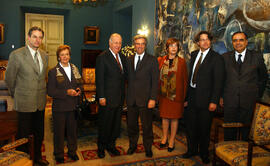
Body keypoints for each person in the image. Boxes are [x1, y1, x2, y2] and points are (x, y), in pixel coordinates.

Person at [5, 26, 49, 166]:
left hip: (40, 102)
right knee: (23, 136)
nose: (37, 40)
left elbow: (42, 78)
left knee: (39, 133)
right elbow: (9, 79)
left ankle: (37, 158)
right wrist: (16, 95)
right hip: (24, 102)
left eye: (40, 37)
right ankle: (23, 160)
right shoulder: (17, 55)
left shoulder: (44, 55)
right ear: (28, 38)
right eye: (34, 36)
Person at [183, 31, 225, 164]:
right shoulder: (194, 54)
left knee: (204, 129)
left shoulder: (216, 58)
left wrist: (214, 101)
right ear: (198, 43)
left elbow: (218, 82)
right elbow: (191, 77)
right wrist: (186, 98)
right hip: (192, 97)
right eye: (202, 40)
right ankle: (191, 150)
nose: (205, 42)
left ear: (210, 41)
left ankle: (204, 153)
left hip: (207, 100)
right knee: (190, 126)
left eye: (207, 39)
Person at [221, 31, 268, 141]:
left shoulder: (256, 57)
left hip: (249, 101)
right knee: (229, 132)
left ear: (246, 42)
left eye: (241, 40)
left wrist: (257, 95)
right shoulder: (225, 57)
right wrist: (221, 96)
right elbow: (221, 79)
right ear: (232, 43)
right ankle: (230, 153)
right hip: (230, 101)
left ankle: (244, 155)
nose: (238, 43)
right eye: (235, 40)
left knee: (246, 132)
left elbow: (263, 78)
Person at [47, 45, 82, 163]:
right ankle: (59, 154)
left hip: (73, 106)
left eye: (67, 54)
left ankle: (72, 152)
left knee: (72, 132)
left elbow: (80, 83)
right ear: (58, 57)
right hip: (60, 108)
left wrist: (79, 90)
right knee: (59, 133)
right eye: (62, 55)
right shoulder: (53, 72)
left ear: (70, 56)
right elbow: (50, 91)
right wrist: (66, 92)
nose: (65, 57)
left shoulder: (74, 68)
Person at [126, 35, 159, 158]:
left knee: (147, 126)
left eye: (142, 44)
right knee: (131, 126)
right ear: (134, 45)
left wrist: (152, 99)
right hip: (131, 100)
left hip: (146, 100)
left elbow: (155, 81)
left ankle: (148, 148)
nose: (139, 46)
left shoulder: (152, 60)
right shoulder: (128, 59)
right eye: (137, 44)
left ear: (145, 45)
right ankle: (132, 146)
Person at [95, 33, 126, 158]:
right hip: (106, 99)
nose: (117, 45)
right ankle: (101, 147)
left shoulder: (122, 57)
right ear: (110, 43)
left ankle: (111, 145)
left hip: (119, 98)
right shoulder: (102, 57)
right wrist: (101, 96)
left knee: (115, 124)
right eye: (115, 42)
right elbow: (99, 79)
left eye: (119, 43)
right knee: (105, 124)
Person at [157, 38, 188, 152]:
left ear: (178, 48)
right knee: (165, 117)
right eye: (171, 46)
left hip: (177, 96)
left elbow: (185, 80)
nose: (173, 48)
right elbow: (157, 79)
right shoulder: (160, 60)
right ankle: (165, 138)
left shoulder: (182, 62)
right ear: (167, 48)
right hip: (164, 95)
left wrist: (185, 97)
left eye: (175, 46)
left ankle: (172, 140)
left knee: (174, 118)